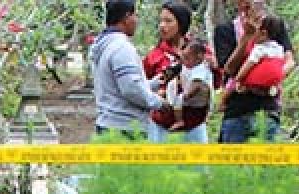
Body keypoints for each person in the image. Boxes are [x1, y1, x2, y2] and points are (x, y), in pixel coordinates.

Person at [214, 0, 296, 142]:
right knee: (230, 161)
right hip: (237, 108)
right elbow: (228, 69)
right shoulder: (225, 30)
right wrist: (246, 37)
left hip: (267, 106)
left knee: (267, 160)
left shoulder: (274, 26)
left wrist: (268, 80)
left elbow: (290, 61)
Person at [89, 0, 167, 138]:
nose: (136, 21)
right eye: (135, 15)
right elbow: (131, 90)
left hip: (108, 123)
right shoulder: (121, 48)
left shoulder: (103, 45)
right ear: (126, 18)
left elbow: (118, 86)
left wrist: (153, 83)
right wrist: (159, 103)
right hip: (125, 127)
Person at [221, 15, 286, 107]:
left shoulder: (259, 49)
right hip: (270, 86)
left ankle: (223, 103)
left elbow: (247, 66)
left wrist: (238, 79)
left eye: (255, 31)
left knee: (231, 86)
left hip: (253, 85)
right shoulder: (279, 49)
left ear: (263, 33)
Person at [152, 39, 212, 134]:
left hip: (196, 100)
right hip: (192, 99)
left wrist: (186, 95)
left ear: (199, 58)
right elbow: (175, 68)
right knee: (172, 86)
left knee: (179, 100)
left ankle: (179, 120)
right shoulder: (189, 64)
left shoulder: (200, 70)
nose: (184, 60)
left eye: (187, 58)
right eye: (184, 57)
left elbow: (196, 85)